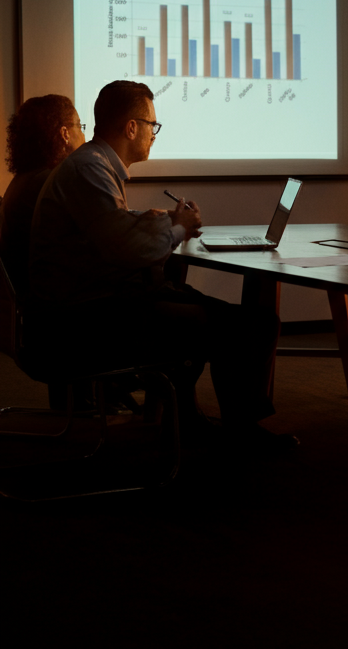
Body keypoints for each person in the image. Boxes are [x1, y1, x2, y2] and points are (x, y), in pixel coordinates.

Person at [30, 80, 295, 454]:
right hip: (87, 319)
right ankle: (240, 434)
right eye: (152, 125)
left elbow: (109, 227)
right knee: (252, 324)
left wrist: (164, 222)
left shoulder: (90, 165)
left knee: (196, 304)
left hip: (81, 306)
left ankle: (187, 421)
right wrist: (178, 228)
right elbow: (123, 249)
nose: (155, 134)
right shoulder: (90, 169)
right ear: (131, 127)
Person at [0, 95, 86, 291]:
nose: (84, 137)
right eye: (80, 127)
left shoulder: (27, 180)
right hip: (57, 306)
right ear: (65, 134)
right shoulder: (51, 183)